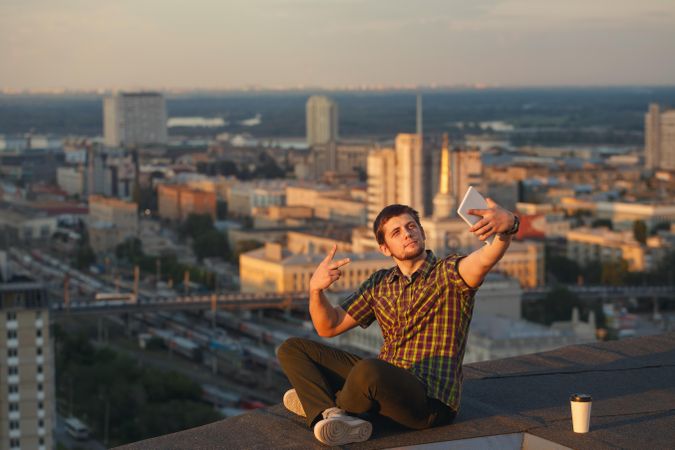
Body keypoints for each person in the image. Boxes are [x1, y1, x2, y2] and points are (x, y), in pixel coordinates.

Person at [277, 200, 519, 446]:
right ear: (384, 248)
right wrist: (315, 290)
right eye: (397, 232)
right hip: (385, 384)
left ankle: (324, 403)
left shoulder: (449, 274)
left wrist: (507, 227)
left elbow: (486, 258)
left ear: (422, 232)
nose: (407, 234)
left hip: (428, 401)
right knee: (292, 349)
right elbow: (328, 326)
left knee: (369, 369)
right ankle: (329, 413)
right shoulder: (380, 283)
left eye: (411, 226)